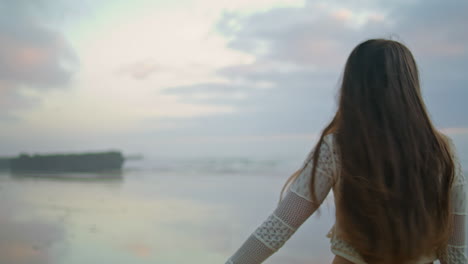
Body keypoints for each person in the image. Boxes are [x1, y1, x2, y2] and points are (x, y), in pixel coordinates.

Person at [224, 39, 467, 264]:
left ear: (353, 87)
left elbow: (280, 226)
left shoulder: (339, 147)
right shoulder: (443, 151)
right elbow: (455, 251)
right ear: (410, 86)